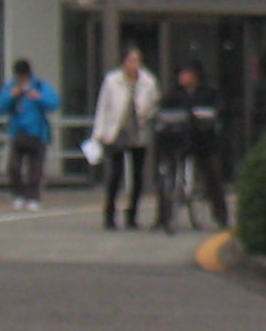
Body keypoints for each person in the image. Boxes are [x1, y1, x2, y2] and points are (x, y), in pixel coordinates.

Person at [89, 46, 159, 231]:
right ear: (123, 62)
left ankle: (132, 216)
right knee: (115, 174)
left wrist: (146, 111)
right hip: (117, 131)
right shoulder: (112, 81)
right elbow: (103, 107)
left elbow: (154, 104)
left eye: (137, 60)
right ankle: (110, 215)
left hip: (138, 132)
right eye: (131, 60)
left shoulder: (148, 81)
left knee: (138, 176)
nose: (134, 64)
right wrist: (99, 133)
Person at [153, 61, 228, 232]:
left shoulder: (209, 92)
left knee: (212, 175)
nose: (182, 77)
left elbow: (218, 109)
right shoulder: (174, 93)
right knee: (167, 174)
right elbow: (163, 108)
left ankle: (222, 215)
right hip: (178, 139)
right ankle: (163, 216)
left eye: (185, 74)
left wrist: (208, 115)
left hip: (202, 140)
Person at [0, 59, 59, 210]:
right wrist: (12, 95)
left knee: (36, 170)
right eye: (19, 77)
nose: (22, 80)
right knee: (13, 167)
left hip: (38, 134)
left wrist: (39, 97)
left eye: (24, 77)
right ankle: (19, 195)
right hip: (18, 133)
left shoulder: (39, 86)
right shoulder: (11, 87)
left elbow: (55, 103)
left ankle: (33, 197)